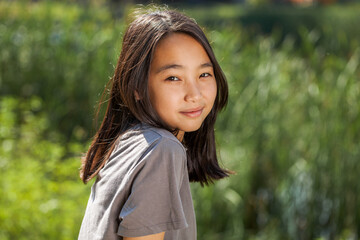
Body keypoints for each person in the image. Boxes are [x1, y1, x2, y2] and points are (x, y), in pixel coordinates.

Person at [78, 6, 230, 240]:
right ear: (137, 87)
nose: (195, 94)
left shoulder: (130, 143)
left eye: (204, 74)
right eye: (173, 78)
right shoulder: (161, 149)